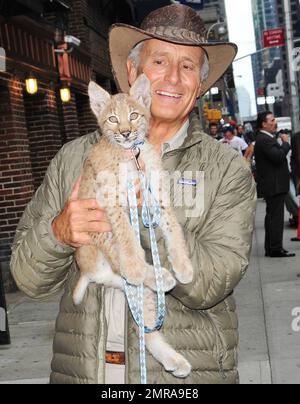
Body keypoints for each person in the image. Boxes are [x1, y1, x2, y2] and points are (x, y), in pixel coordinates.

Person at [10, 4, 256, 384]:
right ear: (133, 72)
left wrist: (147, 212)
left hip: (185, 380)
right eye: (159, 61)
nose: (173, 77)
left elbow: (213, 281)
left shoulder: (226, 169)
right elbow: (27, 277)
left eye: (188, 66)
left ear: (200, 84)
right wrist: (58, 234)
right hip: (85, 372)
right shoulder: (73, 158)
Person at [254, 111, 296, 258]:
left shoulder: (266, 138)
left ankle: (273, 247)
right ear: (263, 124)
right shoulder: (264, 139)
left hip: (274, 185)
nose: (274, 123)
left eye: (274, 120)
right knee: (275, 219)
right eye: (271, 120)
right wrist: (285, 143)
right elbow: (278, 156)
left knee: (273, 218)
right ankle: (275, 248)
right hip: (274, 185)